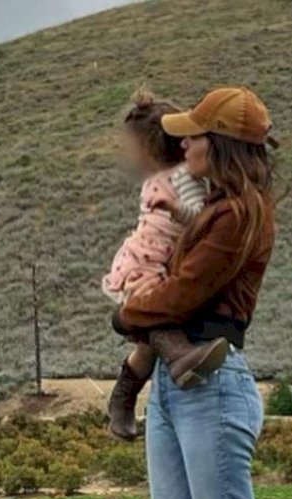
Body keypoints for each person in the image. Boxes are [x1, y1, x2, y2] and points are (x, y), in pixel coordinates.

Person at [113, 87, 277, 499]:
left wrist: (126, 314)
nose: (183, 146)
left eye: (195, 137)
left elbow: (181, 296)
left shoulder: (240, 214)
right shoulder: (213, 207)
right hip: (177, 381)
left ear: (221, 143)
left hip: (212, 382)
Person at [102, 89, 226, 441]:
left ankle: (122, 402)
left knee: (147, 341)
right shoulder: (169, 179)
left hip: (155, 260)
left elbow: (197, 217)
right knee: (154, 325)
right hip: (146, 261)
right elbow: (198, 220)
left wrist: (173, 210)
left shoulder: (182, 178)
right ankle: (180, 358)